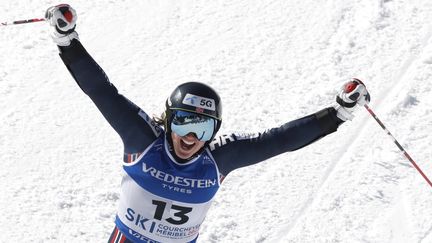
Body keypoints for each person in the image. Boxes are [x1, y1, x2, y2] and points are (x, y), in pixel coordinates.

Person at [45, 4, 370, 243]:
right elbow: (101, 91)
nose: (191, 137)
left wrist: (337, 113)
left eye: (202, 129)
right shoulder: (143, 140)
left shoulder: (218, 159)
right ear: (169, 121)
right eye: (185, 124)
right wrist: (66, 39)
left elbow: (277, 141)